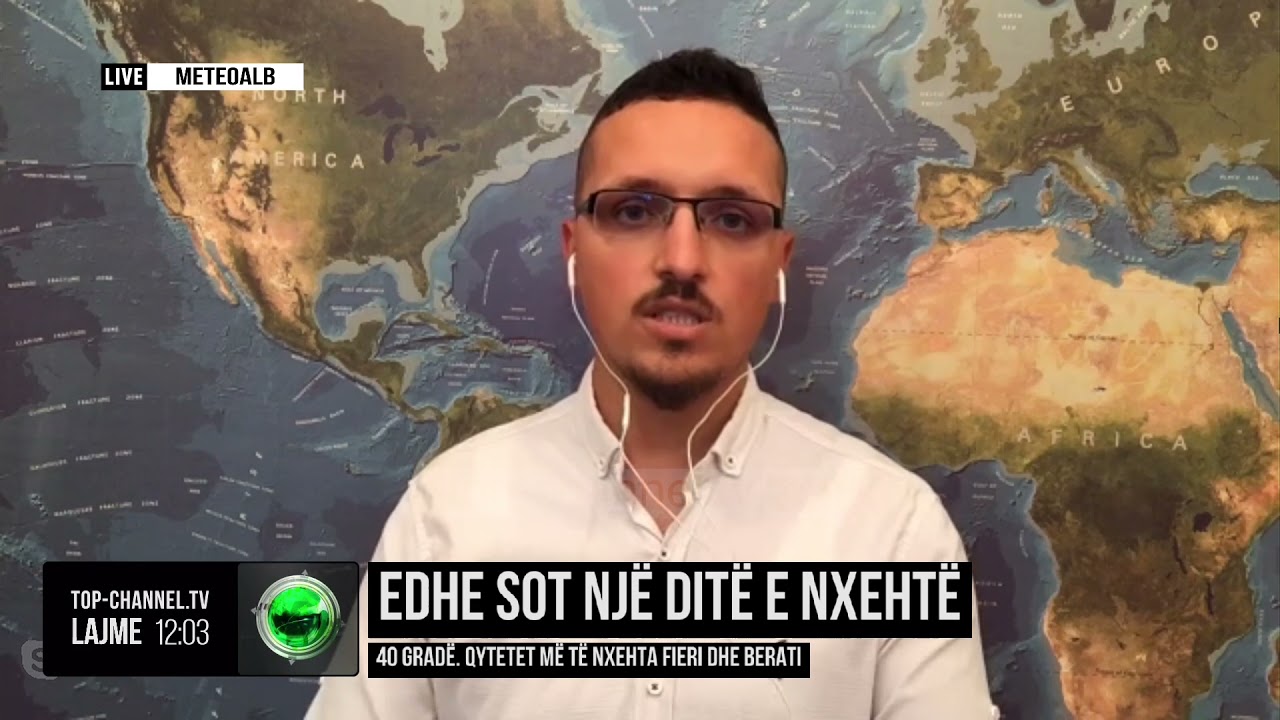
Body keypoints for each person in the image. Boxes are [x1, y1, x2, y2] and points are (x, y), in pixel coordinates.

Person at [307, 47, 994, 719]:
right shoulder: (446, 521)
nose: (682, 260)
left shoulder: (895, 535)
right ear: (575, 253)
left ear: (778, 265)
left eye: (731, 218)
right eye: (635, 211)